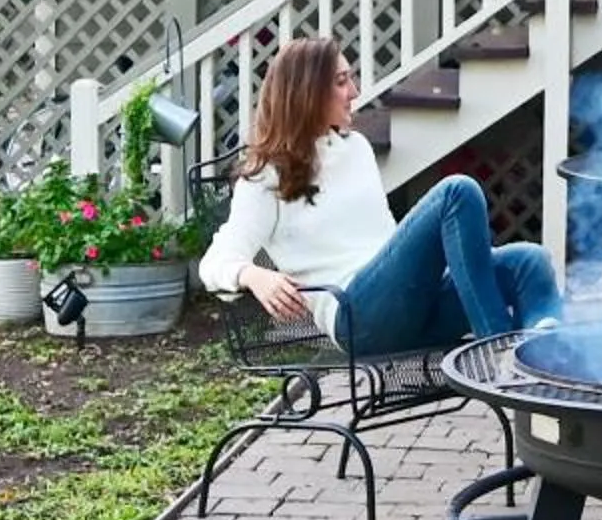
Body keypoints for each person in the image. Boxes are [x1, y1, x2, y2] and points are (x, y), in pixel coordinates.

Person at [200, 34, 561, 352]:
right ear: (308, 93)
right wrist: (253, 276)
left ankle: (546, 360)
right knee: (457, 192)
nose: (354, 92)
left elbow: (385, 243)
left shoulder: (356, 148)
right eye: (341, 82)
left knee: (530, 261)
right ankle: (496, 348)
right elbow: (215, 262)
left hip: (410, 307)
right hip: (358, 319)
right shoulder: (266, 175)